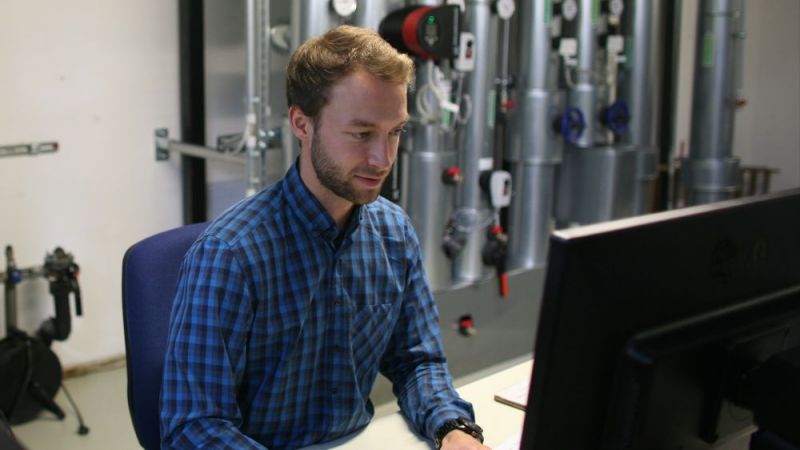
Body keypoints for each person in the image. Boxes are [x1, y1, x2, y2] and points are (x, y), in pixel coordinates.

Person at [160, 25, 490, 450]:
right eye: (362, 133)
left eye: (395, 132)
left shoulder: (393, 233)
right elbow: (194, 425)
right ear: (302, 123)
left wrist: (454, 430)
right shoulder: (229, 255)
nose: (383, 158)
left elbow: (416, 361)